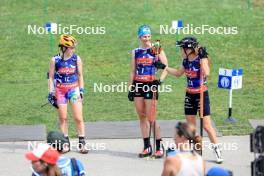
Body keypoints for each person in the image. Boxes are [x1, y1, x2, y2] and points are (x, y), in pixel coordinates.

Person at [155, 36, 223, 163]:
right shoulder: (185, 60)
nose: (180, 50)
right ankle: (196, 151)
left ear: (189, 49)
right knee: (191, 127)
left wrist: (203, 58)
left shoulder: (201, 59)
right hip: (190, 95)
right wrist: (163, 66)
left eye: (182, 48)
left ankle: (217, 150)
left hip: (201, 94)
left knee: (207, 126)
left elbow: (207, 72)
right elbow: (178, 73)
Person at [128, 25, 168, 158]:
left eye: (149, 36)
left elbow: (165, 67)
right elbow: (132, 71)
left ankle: (159, 146)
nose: (147, 38)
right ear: (139, 37)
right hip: (138, 84)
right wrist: (130, 88)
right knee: (141, 116)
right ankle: (146, 147)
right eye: (144, 36)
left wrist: (160, 81)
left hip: (151, 84)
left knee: (152, 118)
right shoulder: (135, 52)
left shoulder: (156, 49)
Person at [48, 34, 88, 154]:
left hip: (74, 90)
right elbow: (50, 77)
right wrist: (50, 93)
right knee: (63, 118)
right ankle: (65, 143)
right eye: (71, 47)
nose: (73, 50)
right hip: (60, 92)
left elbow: (80, 75)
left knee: (78, 117)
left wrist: (81, 90)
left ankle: (82, 143)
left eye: (73, 47)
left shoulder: (76, 59)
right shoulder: (54, 60)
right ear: (64, 48)